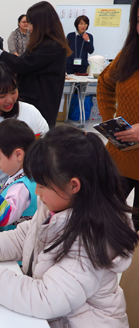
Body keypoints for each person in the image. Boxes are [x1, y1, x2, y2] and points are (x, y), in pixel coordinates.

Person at [0, 126, 138, 328]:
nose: (37, 192)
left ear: (74, 185)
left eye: (42, 185)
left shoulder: (92, 236)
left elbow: (45, 299)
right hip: (52, 323)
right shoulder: (57, 205)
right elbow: (23, 237)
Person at [0, 1, 71, 128]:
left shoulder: (53, 46)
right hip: (33, 101)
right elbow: (23, 63)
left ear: (42, 23)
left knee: (33, 142)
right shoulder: (43, 43)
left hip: (41, 104)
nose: (29, 28)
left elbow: (25, 65)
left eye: (31, 23)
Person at [97, 0, 139, 231]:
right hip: (121, 156)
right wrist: (110, 121)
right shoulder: (129, 54)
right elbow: (104, 83)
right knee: (100, 215)